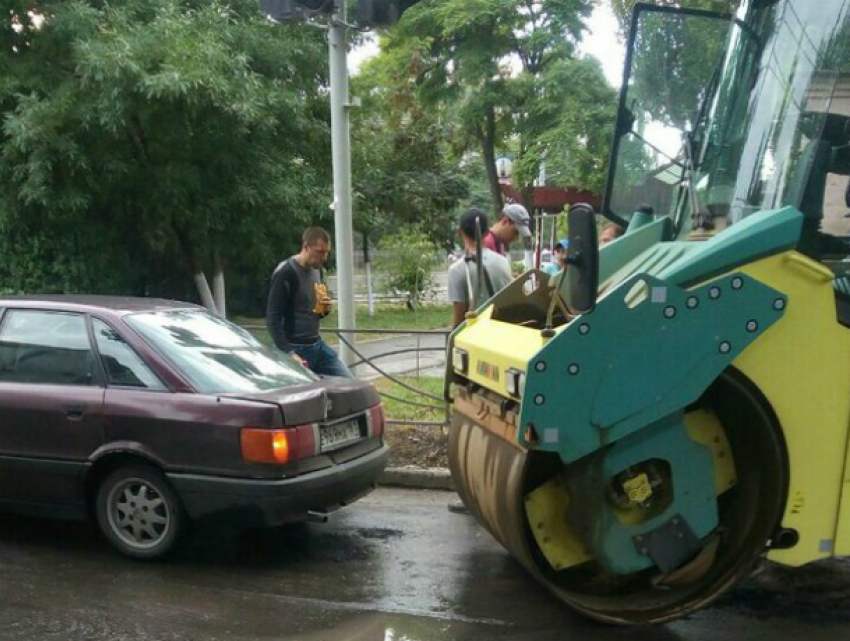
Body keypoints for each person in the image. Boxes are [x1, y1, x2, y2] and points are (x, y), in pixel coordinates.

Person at [266, 227, 352, 378]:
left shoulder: (317, 270)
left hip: (317, 344)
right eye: (320, 252)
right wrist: (289, 353)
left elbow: (315, 313)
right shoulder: (286, 272)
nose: (324, 257)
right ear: (306, 247)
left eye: (326, 252)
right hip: (295, 347)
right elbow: (273, 318)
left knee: (349, 385)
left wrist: (325, 309)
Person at [448, 208, 514, 329]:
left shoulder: (457, 270)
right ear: (487, 232)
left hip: (475, 338)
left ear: (459, 232)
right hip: (503, 333)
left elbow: (459, 318)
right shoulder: (503, 262)